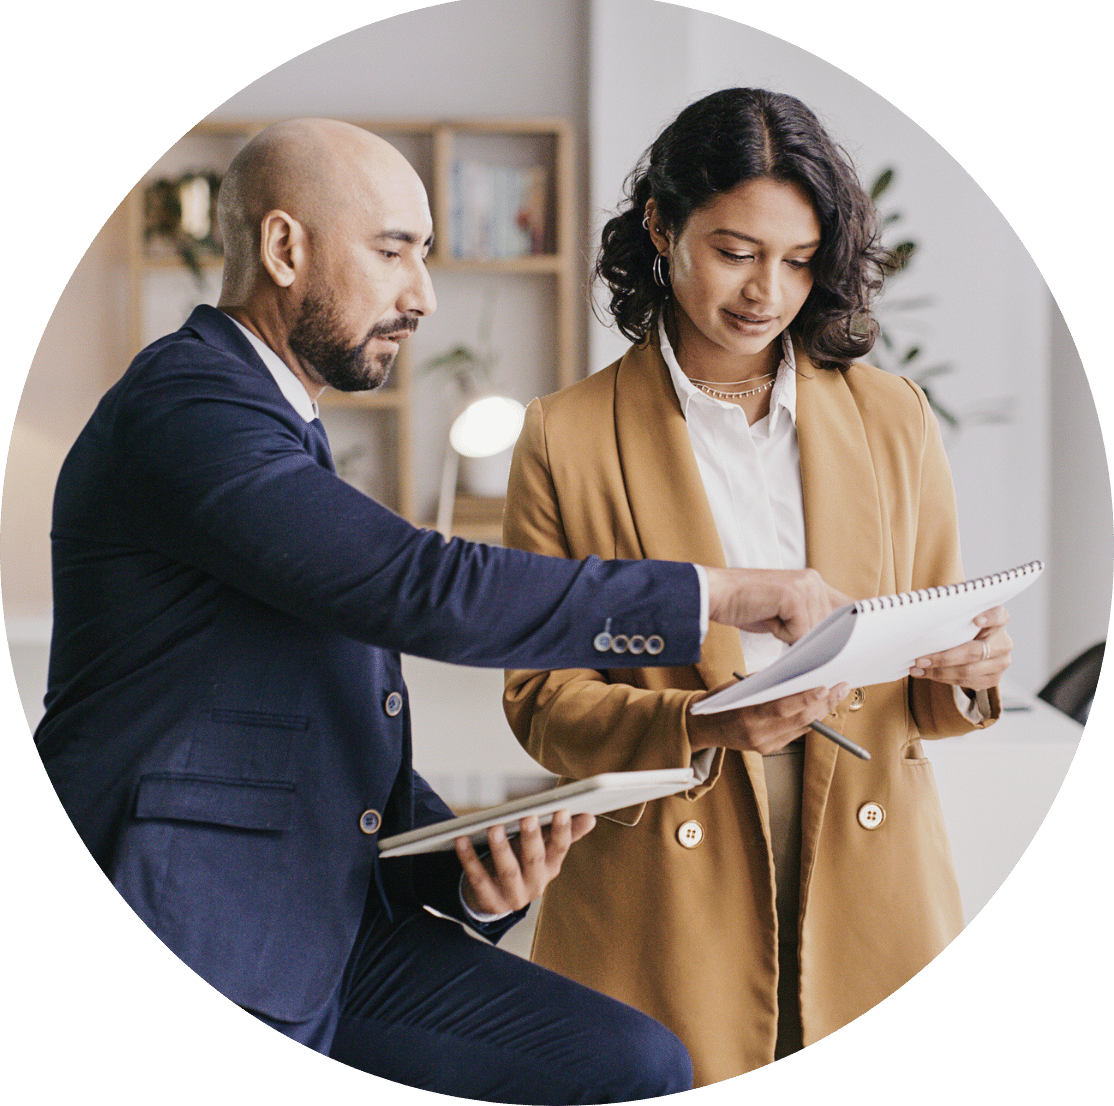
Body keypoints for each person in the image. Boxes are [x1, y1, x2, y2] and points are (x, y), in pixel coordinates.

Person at [35, 117, 849, 1104]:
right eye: (391, 252)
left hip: (333, 922)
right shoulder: (188, 410)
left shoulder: (274, 423)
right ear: (284, 248)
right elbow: (416, 585)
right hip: (189, 922)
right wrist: (717, 591)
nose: (421, 296)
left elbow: (310, 724)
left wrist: (464, 866)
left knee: (633, 1063)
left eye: (423, 255)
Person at [502, 88, 1013, 1085]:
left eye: (797, 260)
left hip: (868, 866)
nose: (765, 292)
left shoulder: (893, 418)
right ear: (661, 225)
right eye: (735, 251)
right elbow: (541, 704)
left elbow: (937, 672)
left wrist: (969, 667)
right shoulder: (564, 435)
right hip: (667, 881)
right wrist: (702, 721)